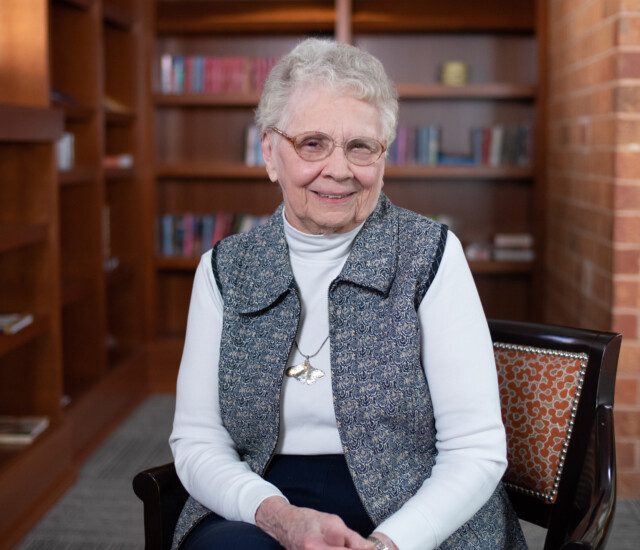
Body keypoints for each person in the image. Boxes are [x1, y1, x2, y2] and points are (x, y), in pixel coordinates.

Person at [169, 38, 527, 550]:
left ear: (383, 157)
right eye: (312, 143)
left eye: (361, 146)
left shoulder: (431, 255)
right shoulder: (225, 270)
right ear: (271, 153)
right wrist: (278, 517)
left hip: (414, 496)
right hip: (262, 497)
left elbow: (476, 448)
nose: (339, 169)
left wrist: (390, 543)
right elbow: (198, 440)